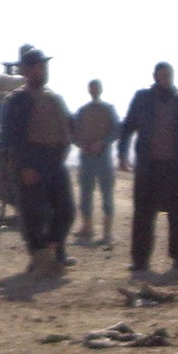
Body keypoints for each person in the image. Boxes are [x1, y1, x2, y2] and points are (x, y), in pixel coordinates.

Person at [118, 62, 178, 276]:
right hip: (148, 167)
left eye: (169, 75)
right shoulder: (142, 99)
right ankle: (140, 262)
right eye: (162, 75)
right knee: (143, 215)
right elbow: (127, 127)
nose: (166, 78)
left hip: (176, 167)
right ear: (155, 76)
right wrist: (122, 154)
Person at [0, 45, 76, 277]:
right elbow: (10, 137)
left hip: (54, 159)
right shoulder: (18, 99)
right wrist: (22, 165)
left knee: (66, 210)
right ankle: (40, 258)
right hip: (31, 159)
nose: (41, 71)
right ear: (26, 71)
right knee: (33, 213)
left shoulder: (54, 98)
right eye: (36, 67)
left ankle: (52, 250)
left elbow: (68, 127)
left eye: (43, 66)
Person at [71, 79, 119, 245]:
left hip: (103, 157)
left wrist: (103, 143)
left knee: (107, 193)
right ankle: (87, 227)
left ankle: (107, 232)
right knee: (85, 192)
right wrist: (81, 144)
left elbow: (116, 130)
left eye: (96, 88)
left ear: (101, 89)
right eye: (91, 88)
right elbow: (73, 132)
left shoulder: (108, 109)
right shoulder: (82, 111)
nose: (94, 90)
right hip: (86, 157)